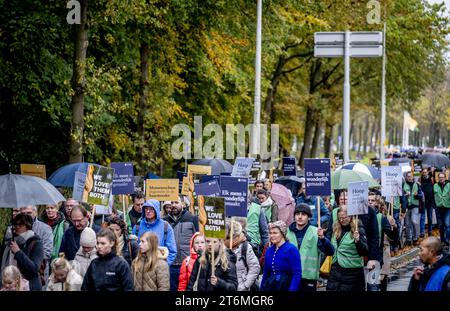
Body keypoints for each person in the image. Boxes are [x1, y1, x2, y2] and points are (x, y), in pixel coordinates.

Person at [286, 204, 334, 291]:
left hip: (308, 278)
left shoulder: (316, 232)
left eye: (303, 214)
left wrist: (323, 238)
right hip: (290, 276)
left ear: (309, 217)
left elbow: (330, 251)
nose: (300, 217)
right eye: (297, 214)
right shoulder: (287, 232)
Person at [326, 206, 368, 291]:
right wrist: (322, 239)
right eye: (339, 218)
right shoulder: (335, 229)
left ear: (351, 216)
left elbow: (364, 251)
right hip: (335, 272)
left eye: (344, 218)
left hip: (352, 274)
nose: (341, 220)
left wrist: (358, 241)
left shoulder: (358, 229)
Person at [0, 214, 44, 291]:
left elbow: (34, 268)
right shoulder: (9, 241)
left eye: (20, 224)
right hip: (8, 285)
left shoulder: (36, 243)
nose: (16, 227)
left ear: (28, 226)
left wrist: (18, 252)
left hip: (27, 286)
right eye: (15, 224)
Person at [164, 196, 199, 290]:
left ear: (183, 204)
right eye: (171, 203)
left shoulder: (192, 218)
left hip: (187, 264)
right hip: (170, 263)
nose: (173, 205)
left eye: (176, 202)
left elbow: (197, 238)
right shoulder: (164, 220)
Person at [132, 199, 177, 266]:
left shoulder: (166, 226)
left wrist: (164, 265)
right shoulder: (138, 226)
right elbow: (133, 248)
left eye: (151, 209)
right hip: (141, 268)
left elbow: (172, 251)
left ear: (156, 210)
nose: (148, 211)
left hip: (159, 268)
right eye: (146, 208)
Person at [260, 221, 301, 291]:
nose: (272, 236)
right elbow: (266, 273)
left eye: (275, 233)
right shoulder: (269, 250)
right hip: (271, 287)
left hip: (286, 287)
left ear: (282, 234)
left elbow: (297, 274)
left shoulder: (291, 249)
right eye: (270, 233)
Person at [20, 205, 54, 283]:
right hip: (19, 272)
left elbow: (47, 252)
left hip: (38, 273)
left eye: (29, 213)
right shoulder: (16, 228)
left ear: (35, 213)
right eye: (23, 213)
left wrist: (28, 261)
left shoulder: (45, 229)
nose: (26, 215)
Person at [225, 220, 260, 291]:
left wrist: (244, 286)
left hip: (240, 287)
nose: (224, 240)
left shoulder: (245, 247)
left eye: (228, 238)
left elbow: (255, 268)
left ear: (236, 236)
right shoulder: (221, 247)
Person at [404, 171, 423, 246]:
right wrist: (405, 195)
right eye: (408, 176)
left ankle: (415, 238)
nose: (409, 177)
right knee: (407, 223)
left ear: (412, 177)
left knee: (414, 221)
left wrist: (416, 195)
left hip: (415, 205)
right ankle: (409, 239)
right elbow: (401, 195)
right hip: (406, 207)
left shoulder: (417, 184)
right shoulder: (404, 185)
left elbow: (421, 195)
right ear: (406, 177)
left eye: (410, 176)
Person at [434, 172, 450, 247]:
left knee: (447, 224)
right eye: (440, 177)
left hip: (447, 207)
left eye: (442, 177)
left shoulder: (449, 185)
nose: (441, 178)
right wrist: (434, 205)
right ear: (438, 178)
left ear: (445, 178)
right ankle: (442, 240)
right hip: (439, 208)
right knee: (440, 226)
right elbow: (432, 196)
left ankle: (447, 240)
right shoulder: (435, 186)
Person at [420, 168, 435, 238]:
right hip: (423, 201)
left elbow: (433, 190)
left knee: (430, 217)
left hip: (430, 201)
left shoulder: (431, 180)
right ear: (422, 173)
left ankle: (430, 231)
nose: (424, 173)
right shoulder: (420, 180)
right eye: (423, 172)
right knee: (422, 217)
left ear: (427, 173)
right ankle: (422, 232)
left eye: (425, 172)